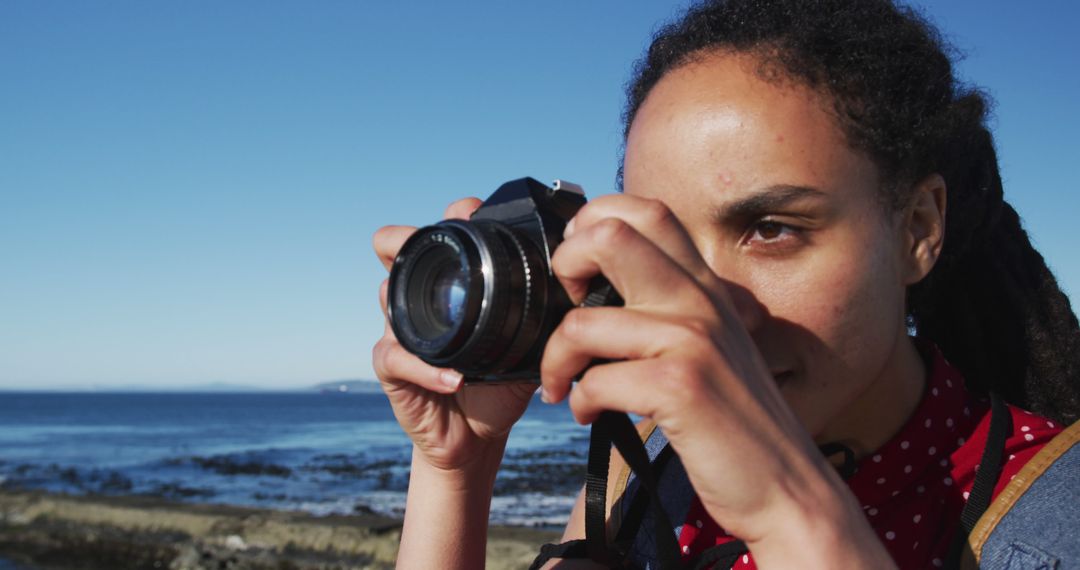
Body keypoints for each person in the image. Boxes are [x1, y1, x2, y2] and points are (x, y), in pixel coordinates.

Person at [372, 0, 1080, 568]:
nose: (701, 307)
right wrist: (455, 471)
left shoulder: (1053, 513)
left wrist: (785, 508)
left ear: (918, 229)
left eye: (772, 229)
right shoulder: (648, 461)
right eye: (666, 242)